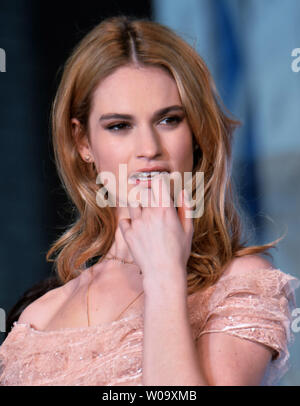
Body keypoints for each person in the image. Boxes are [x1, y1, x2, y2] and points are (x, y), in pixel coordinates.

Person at [0, 15, 299, 386]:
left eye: (169, 120)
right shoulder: (36, 321)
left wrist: (163, 275)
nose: (149, 149)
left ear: (196, 133)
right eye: (119, 126)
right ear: (83, 144)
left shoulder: (242, 285)